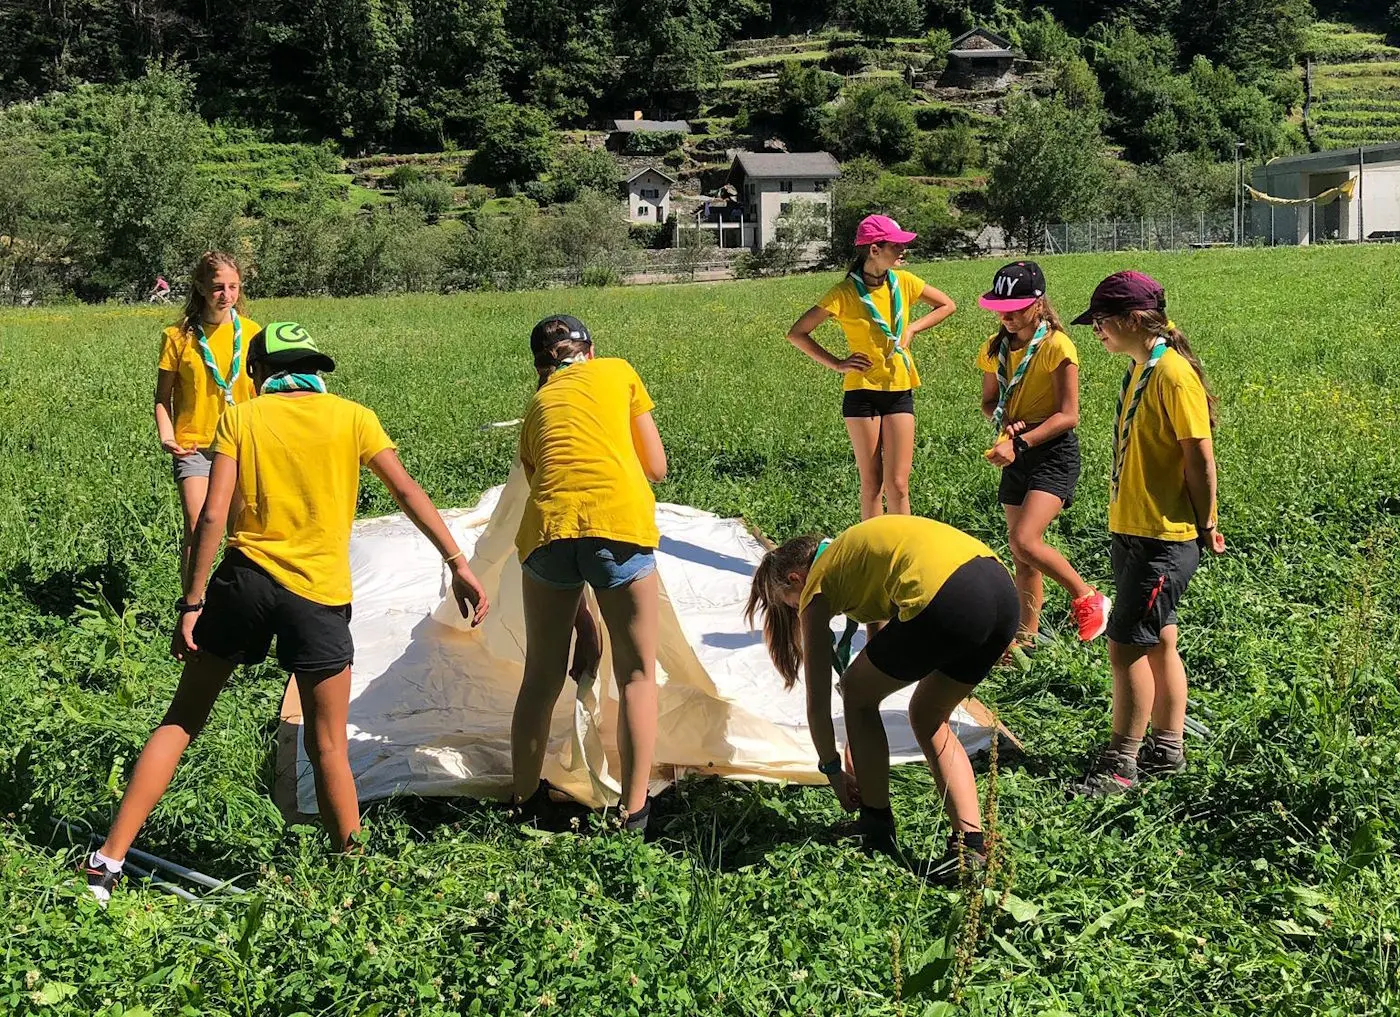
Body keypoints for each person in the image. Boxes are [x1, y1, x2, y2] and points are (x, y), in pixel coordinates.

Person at [82, 323, 489, 904]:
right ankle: (356, 882)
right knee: (326, 746)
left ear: (255, 372)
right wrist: (458, 562)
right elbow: (407, 491)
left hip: (244, 581)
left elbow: (212, 515)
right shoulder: (354, 417)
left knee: (182, 720)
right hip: (318, 597)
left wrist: (191, 602)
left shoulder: (242, 417)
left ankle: (107, 861)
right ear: (313, 369)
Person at [745, 515, 1019, 882]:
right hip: (1001, 591)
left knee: (855, 694)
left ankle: (875, 825)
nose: (797, 611)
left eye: (790, 605)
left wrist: (833, 772)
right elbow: (885, 643)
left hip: (951, 595)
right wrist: (861, 734)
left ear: (796, 579)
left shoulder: (818, 582)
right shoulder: (853, 554)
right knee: (927, 715)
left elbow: (818, 702)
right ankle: (970, 847)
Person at [1066, 272, 1225, 796]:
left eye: (1103, 323)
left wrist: (1207, 522)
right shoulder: (1142, 368)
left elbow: (1199, 456)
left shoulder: (1174, 375)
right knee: (1159, 639)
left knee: (1125, 645)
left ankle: (1121, 763)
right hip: (1132, 528)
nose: (1097, 332)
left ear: (1135, 320)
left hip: (1162, 536)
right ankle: (1168, 747)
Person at [510, 315, 667, 833]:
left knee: (541, 675)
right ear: (591, 351)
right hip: (618, 526)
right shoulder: (620, 372)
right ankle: (635, 809)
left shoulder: (536, 406)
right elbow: (657, 467)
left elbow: (540, 486)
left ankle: (527, 800)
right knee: (638, 672)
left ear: (539, 366)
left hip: (548, 535)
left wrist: (578, 607)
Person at [786, 215, 956, 520]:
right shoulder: (844, 293)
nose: (904, 250)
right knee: (872, 484)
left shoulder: (904, 281)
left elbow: (947, 304)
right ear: (875, 250)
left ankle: (902, 547)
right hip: (861, 392)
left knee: (900, 485)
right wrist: (838, 363)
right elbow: (796, 333)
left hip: (899, 387)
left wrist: (914, 328)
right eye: (897, 245)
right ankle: (872, 552)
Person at [977, 261, 1110, 647]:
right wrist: (1007, 421)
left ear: (1038, 303)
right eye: (1001, 309)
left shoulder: (1056, 346)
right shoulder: (994, 348)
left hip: (1052, 453)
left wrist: (1022, 440)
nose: (1008, 317)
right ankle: (1026, 637)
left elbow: (1068, 415)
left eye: (1017, 308)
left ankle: (1087, 596)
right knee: (1022, 557)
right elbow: (989, 402)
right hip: (1016, 450)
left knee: (1025, 539)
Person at [155, 252, 258, 576]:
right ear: (200, 287)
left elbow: (262, 394)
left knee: (242, 532)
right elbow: (162, 398)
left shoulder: (253, 333)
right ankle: (192, 607)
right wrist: (167, 435)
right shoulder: (177, 337)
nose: (225, 295)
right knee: (198, 525)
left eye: (233, 287)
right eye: (217, 287)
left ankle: (236, 603)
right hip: (193, 444)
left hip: (241, 444)